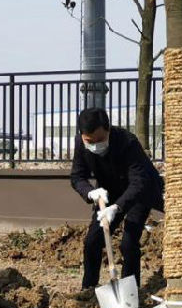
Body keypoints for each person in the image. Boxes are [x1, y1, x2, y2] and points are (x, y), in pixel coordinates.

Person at [70, 108, 164, 296]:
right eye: (90, 141)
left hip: (138, 192)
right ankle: (88, 289)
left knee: (128, 242)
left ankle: (130, 292)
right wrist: (91, 192)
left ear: (108, 130)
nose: (95, 145)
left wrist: (117, 207)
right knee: (93, 241)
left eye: (100, 140)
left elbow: (139, 182)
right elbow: (77, 176)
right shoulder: (81, 143)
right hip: (108, 192)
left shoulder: (127, 142)